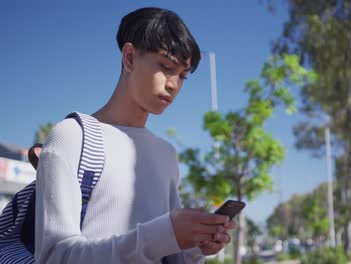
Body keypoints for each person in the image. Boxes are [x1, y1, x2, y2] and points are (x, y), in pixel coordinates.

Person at [34, 7, 236, 263]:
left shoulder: (167, 154)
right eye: (166, 67)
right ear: (129, 57)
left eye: (183, 76)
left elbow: (170, 257)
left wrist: (196, 247)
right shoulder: (72, 137)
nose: (174, 84)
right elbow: (54, 256)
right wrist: (163, 233)